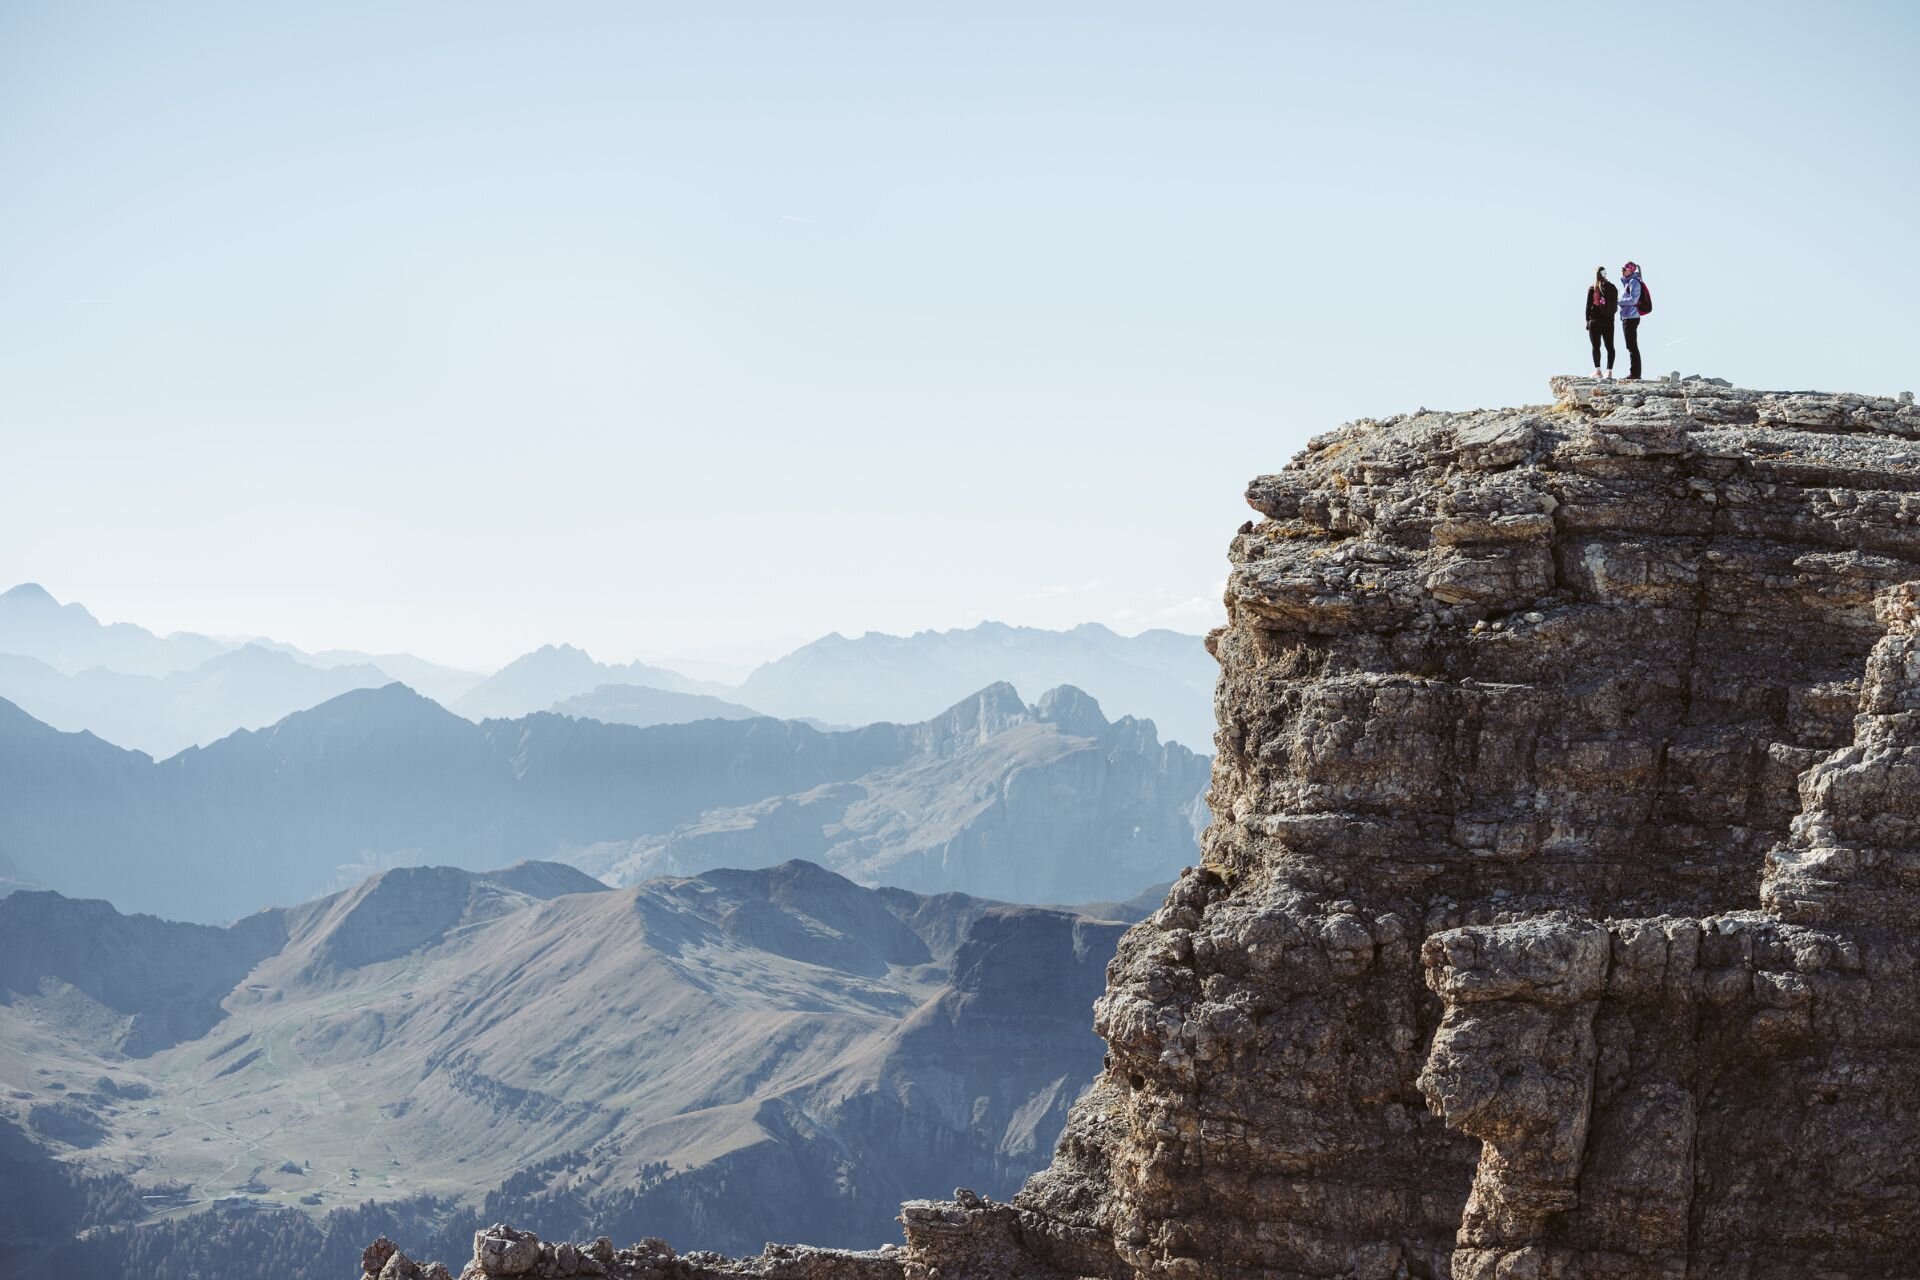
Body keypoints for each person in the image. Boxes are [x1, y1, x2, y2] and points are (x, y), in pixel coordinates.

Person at [1584, 267, 1618, 378]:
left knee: (1596, 346)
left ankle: (1598, 371)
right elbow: (1614, 306)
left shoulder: (1592, 288)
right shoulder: (1612, 287)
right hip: (1608, 320)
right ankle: (1609, 371)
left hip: (1595, 320)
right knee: (1610, 346)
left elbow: (1588, 306)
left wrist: (1587, 321)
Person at [1618, 261, 1646, 380]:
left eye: (1624, 268)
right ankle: (1634, 373)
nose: (1622, 270)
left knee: (1632, 346)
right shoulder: (1628, 282)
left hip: (1631, 317)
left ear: (1631, 270)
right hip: (1627, 317)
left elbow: (1634, 300)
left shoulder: (1633, 282)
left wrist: (1618, 302)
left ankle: (1635, 374)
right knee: (1630, 345)